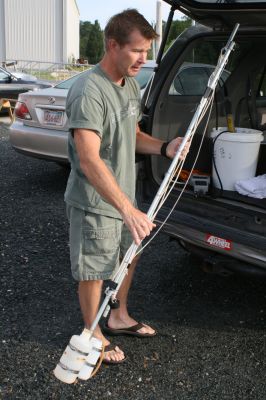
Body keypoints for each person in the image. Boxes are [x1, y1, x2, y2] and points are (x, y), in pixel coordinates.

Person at [65, 9, 189, 364]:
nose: (143, 59)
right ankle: (92, 335)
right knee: (94, 269)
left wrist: (165, 147)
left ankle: (117, 316)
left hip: (124, 196)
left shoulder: (130, 85)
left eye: (147, 51)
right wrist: (127, 208)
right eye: (136, 51)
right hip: (95, 200)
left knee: (126, 258)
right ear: (113, 44)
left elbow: (131, 135)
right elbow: (88, 159)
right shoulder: (88, 90)